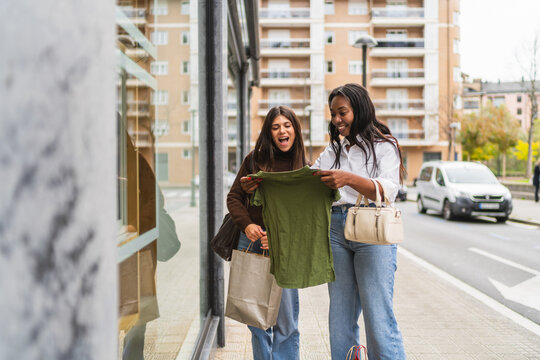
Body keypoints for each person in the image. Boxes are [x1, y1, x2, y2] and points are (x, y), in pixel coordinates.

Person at [313, 83, 406, 360]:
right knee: (340, 317)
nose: (336, 120)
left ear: (360, 110)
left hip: (372, 230)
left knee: (378, 315)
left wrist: (348, 178)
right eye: (333, 114)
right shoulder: (334, 151)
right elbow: (311, 177)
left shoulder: (384, 146)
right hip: (336, 229)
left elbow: (389, 191)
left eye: (343, 112)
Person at [227, 105, 306, 360]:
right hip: (251, 244)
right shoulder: (254, 159)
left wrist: (279, 236)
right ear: (269, 132)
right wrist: (247, 224)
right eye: (275, 127)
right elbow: (234, 197)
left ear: (295, 130)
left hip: (285, 249)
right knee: (257, 320)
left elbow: (305, 213)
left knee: (287, 324)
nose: (282, 131)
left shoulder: (303, 166)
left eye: (287, 125)